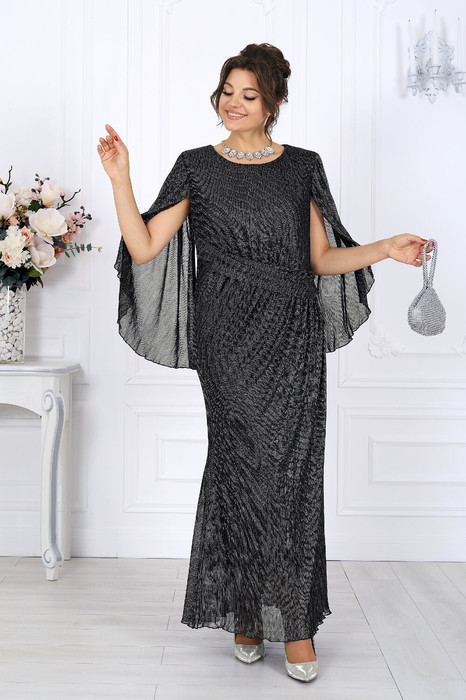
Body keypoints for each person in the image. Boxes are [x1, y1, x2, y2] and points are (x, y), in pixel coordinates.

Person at [98, 42, 433, 684]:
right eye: (227, 91)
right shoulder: (195, 166)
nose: (233, 103)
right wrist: (121, 178)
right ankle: (246, 613)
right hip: (225, 336)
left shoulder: (303, 166)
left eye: (248, 95)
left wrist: (385, 248)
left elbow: (321, 260)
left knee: (293, 474)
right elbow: (142, 248)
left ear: (273, 102)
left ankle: (295, 625)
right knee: (239, 466)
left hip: (292, 334)